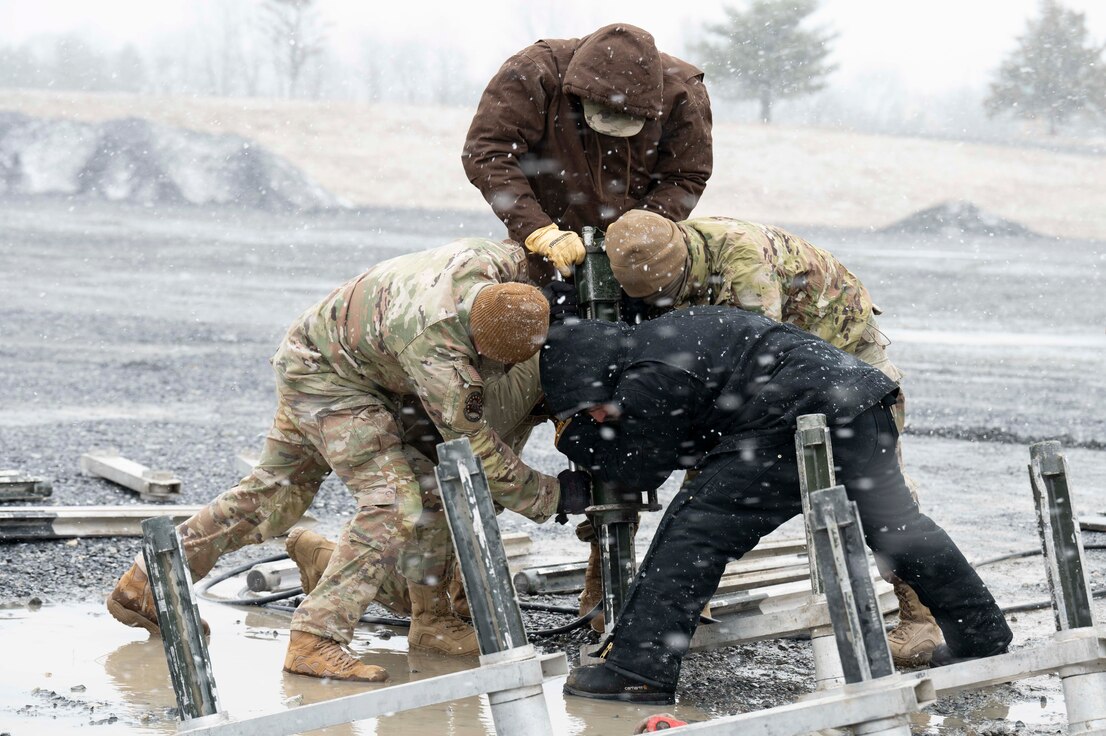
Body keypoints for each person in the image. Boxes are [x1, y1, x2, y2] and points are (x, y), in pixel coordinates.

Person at [106, 238, 586, 682]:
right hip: (328, 375)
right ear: (474, 343)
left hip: (328, 351)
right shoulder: (440, 353)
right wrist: (556, 495)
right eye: (492, 364)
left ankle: (150, 580)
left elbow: (525, 258)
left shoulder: (498, 266)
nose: (497, 375)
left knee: (276, 493)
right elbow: (472, 450)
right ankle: (316, 637)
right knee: (393, 501)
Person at [540, 307, 1012, 704]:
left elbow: (639, 472)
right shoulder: (663, 338)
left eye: (592, 407)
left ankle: (637, 669)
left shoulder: (647, 378)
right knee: (897, 527)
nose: (596, 417)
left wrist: (578, 440)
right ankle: (981, 636)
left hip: (795, 415)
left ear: (599, 371)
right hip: (862, 400)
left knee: (695, 530)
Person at [601, 209, 940, 666]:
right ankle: (685, 595)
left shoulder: (743, 265)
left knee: (878, 490)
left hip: (842, 361)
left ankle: (923, 617)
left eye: (668, 295)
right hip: (785, 366)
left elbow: (747, 383)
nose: (660, 305)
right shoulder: (642, 258)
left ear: (683, 265)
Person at [462, 23, 713, 281]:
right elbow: (488, 151)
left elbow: (686, 175)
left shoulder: (682, 94)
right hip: (542, 252)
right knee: (531, 311)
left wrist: (643, 225)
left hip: (637, 265)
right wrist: (537, 229)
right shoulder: (535, 71)